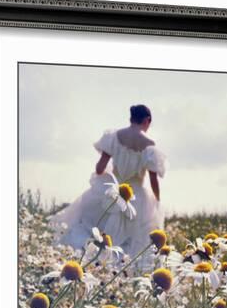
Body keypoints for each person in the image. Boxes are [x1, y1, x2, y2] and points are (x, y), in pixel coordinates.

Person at [50, 104, 168, 259]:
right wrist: (157, 201)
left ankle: (88, 260)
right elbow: (153, 181)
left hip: (111, 190)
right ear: (147, 120)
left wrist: (109, 175)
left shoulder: (113, 137)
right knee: (131, 240)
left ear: (131, 118)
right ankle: (121, 269)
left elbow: (99, 168)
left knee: (97, 230)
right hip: (136, 197)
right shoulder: (150, 146)